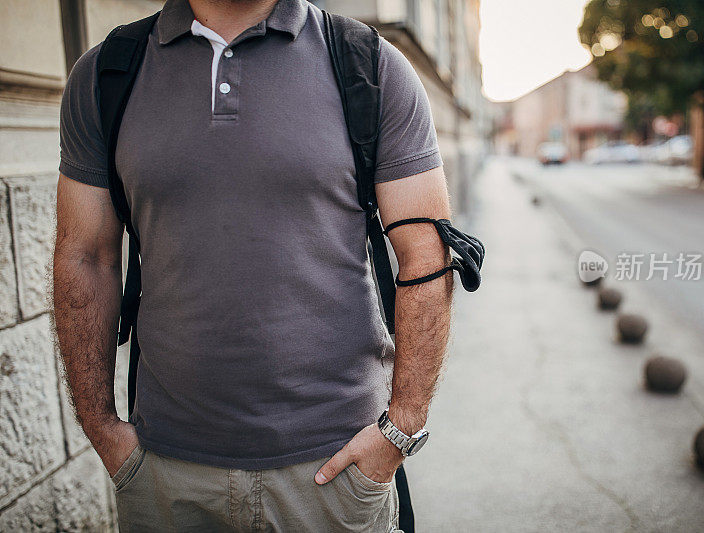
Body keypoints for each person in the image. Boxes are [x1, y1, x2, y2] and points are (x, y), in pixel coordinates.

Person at [52, 0, 454, 530]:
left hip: (333, 470)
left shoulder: (368, 66)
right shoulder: (108, 73)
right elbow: (85, 258)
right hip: (165, 471)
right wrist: (102, 429)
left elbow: (427, 256)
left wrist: (400, 428)